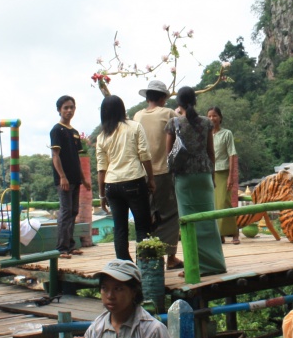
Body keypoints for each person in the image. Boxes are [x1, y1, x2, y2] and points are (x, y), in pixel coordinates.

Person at [166, 87, 225, 275]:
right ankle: (215, 264)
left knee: (188, 223)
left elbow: (169, 156)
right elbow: (211, 153)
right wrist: (212, 177)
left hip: (184, 178)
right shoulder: (206, 122)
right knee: (208, 220)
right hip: (204, 176)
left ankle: (194, 266)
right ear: (195, 101)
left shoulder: (174, 123)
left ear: (179, 103)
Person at [95, 95, 155, 261]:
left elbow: (101, 169)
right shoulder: (134, 127)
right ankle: (144, 264)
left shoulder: (102, 137)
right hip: (134, 180)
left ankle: (124, 266)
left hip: (111, 185)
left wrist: (102, 195)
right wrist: (151, 179)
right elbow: (144, 155)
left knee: (120, 228)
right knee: (143, 226)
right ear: (122, 109)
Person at [135, 80, 182, 268]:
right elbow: (180, 138)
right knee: (169, 213)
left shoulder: (137, 116)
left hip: (141, 173)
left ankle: (149, 256)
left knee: (148, 214)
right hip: (162, 171)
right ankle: (170, 257)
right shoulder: (168, 113)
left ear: (147, 97)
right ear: (163, 98)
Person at [50, 96, 89, 256]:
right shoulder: (56, 130)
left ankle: (70, 245)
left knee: (73, 211)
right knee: (66, 211)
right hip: (64, 179)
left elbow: (77, 158)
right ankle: (61, 248)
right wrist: (62, 177)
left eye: (71, 107)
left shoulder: (74, 132)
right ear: (59, 110)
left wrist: (83, 179)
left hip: (75, 178)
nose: (69, 110)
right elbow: (55, 156)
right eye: (65, 107)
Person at [208, 106, 240, 244]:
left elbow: (232, 154)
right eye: (209, 116)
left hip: (223, 172)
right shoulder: (206, 134)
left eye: (214, 115)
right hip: (210, 173)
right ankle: (220, 234)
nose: (212, 118)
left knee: (224, 203)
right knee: (214, 204)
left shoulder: (227, 134)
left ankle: (234, 233)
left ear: (220, 117)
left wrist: (231, 177)